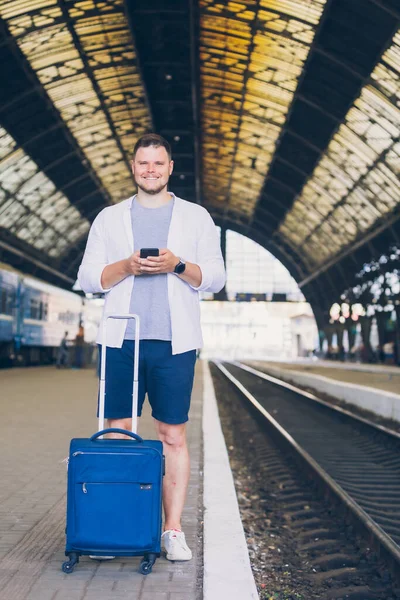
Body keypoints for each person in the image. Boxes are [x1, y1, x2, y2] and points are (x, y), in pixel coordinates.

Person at [77, 133, 226, 562]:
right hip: (120, 339)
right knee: (119, 431)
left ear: (170, 168)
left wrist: (176, 265)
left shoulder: (197, 218)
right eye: (143, 164)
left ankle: (172, 530)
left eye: (158, 164)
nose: (150, 170)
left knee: (171, 435)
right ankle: (114, 522)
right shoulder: (109, 218)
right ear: (133, 167)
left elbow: (215, 278)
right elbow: (88, 279)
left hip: (175, 343)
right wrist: (126, 266)